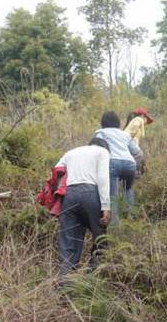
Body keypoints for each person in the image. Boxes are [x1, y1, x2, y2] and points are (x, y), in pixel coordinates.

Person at [55, 137, 111, 275]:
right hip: (91, 194)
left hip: (69, 196)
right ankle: (92, 277)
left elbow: (57, 170)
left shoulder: (71, 152)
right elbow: (103, 178)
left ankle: (65, 284)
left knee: (69, 241)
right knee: (100, 237)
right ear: (105, 147)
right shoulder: (102, 152)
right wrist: (106, 206)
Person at [95, 111, 142, 224]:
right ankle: (131, 219)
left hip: (112, 163)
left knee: (113, 194)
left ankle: (114, 224)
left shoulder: (101, 133)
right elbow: (138, 153)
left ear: (103, 123)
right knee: (128, 189)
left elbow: (96, 150)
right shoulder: (125, 134)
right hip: (130, 164)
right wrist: (137, 167)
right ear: (118, 123)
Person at [124, 107, 154, 178]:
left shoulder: (133, 121)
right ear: (143, 116)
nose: (146, 121)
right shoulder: (139, 120)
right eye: (146, 118)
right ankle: (134, 172)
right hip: (129, 144)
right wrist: (131, 137)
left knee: (142, 162)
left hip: (126, 144)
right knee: (139, 156)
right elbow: (135, 127)